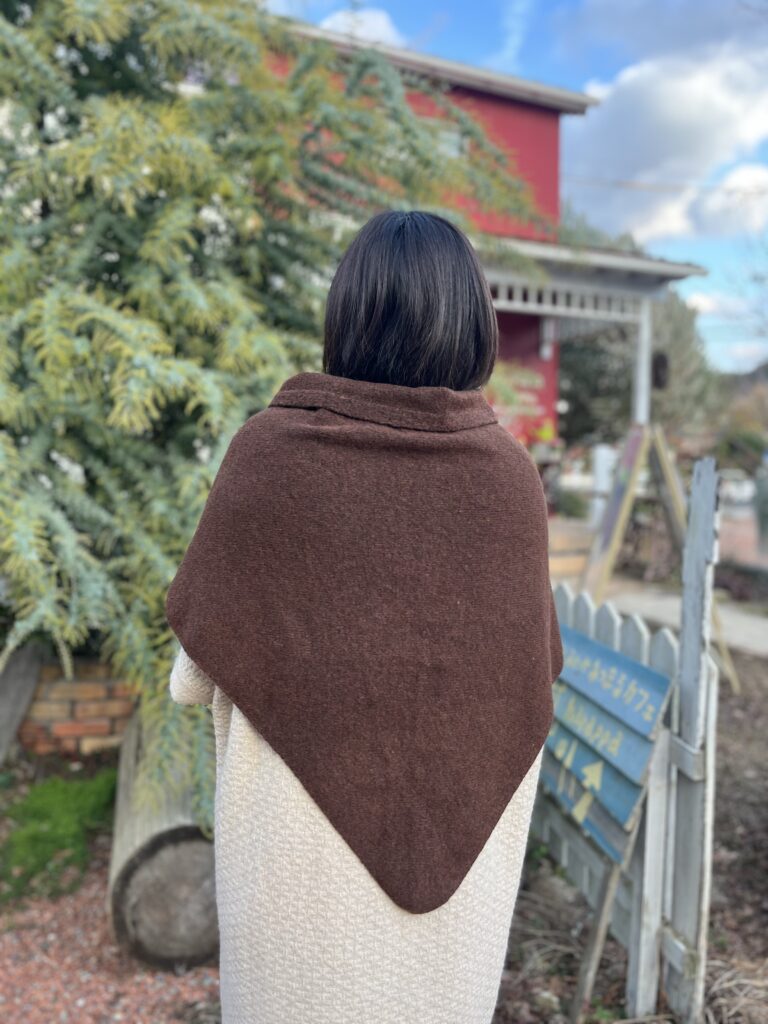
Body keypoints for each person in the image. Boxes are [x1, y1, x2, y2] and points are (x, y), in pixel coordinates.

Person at [166, 210, 563, 1024]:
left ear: (346, 314)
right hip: (463, 897)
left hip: (294, 883)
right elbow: (528, 679)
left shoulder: (267, 457)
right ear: (473, 324)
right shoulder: (510, 479)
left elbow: (194, 675)